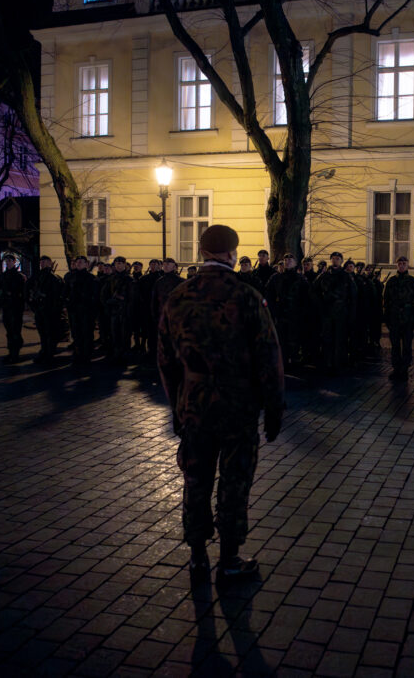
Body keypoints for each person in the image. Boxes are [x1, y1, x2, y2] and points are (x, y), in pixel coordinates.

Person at [158, 224, 284, 583]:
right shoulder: (246, 295)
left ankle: (197, 555)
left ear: (201, 252)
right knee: (234, 480)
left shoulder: (178, 297)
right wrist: (274, 410)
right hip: (237, 406)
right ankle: (229, 558)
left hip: (195, 405)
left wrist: (177, 407)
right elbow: (269, 358)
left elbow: (165, 360)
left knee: (196, 478)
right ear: (232, 253)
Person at [264, 253, 311, 369]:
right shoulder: (276, 278)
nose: (288, 261)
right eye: (286, 259)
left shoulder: (301, 279)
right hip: (280, 314)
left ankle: (294, 361)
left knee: (294, 339)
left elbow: (306, 298)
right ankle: (283, 362)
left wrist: (302, 313)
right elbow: (268, 295)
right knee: (281, 339)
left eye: (291, 259)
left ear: (295, 263)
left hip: (295, 314)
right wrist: (273, 311)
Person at [313, 251, 357, 373]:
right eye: (333, 258)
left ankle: (338, 364)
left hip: (341, 313)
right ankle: (327, 363)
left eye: (338, 258)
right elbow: (314, 290)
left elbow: (353, 296)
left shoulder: (346, 276)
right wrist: (321, 305)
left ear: (341, 261)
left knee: (340, 340)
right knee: (327, 339)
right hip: (327, 312)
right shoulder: (324, 275)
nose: (335, 260)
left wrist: (351, 313)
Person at [382, 255, 414, 381]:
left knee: (407, 345)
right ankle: (396, 368)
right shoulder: (391, 281)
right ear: (396, 265)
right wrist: (386, 318)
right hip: (394, 317)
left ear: (407, 265)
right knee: (395, 346)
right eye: (400, 263)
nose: (402, 265)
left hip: (408, 317)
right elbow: (386, 301)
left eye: (404, 263)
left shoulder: (413, 281)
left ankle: (404, 369)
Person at [27, 255, 65, 364]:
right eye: (41, 261)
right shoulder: (38, 276)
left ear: (49, 263)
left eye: (44, 261)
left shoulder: (54, 278)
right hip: (40, 309)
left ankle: (49, 353)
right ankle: (44, 351)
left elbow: (57, 296)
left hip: (50, 311)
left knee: (50, 333)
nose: (42, 263)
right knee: (43, 333)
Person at [0, 253, 27, 363]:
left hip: (16, 307)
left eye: (10, 261)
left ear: (14, 262)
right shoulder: (3, 276)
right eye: (6, 261)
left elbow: (24, 292)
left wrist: (15, 296)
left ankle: (15, 353)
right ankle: (11, 352)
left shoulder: (19, 276)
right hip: (7, 306)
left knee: (15, 330)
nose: (8, 263)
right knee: (9, 331)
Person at [65, 255, 97, 364]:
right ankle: (78, 352)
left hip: (87, 311)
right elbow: (67, 292)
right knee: (76, 333)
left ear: (86, 264)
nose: (78, 263)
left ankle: (86, 354)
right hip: (74, 310)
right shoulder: (71, 277)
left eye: (81, 262)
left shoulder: (91, 278)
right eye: (77, 261)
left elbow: (94, 295)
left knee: (86, 333)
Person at [102, 256, 134, 362]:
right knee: (114, 334)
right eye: (116, 263)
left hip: (125, 312)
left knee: (125, 335)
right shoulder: (111, 279)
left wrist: (123, 300)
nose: (118, 265)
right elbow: (104, 294)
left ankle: (125, 354)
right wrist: (108, 303)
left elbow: (134, 297)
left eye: (120, 263)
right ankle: (116, 354)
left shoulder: (129, 279)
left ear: (125, 265)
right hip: (114, 311)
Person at [136, 259, 163, 359]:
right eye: (151, 264)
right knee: (148, 331)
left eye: (156, 264)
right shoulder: (144, 279)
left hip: (159, 309)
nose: (153, 266)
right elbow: (139, 294)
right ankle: (150, 351)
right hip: (146, 308)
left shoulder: (162, 278)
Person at [152, 258, 184, 330]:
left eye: (168, 264)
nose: (166, 266)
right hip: (162, 314)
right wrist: (155, 315)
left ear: (174, 267)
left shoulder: (181, 281)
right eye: (164, 264)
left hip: (176, 315)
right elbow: (154, 300)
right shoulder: (159, 282)